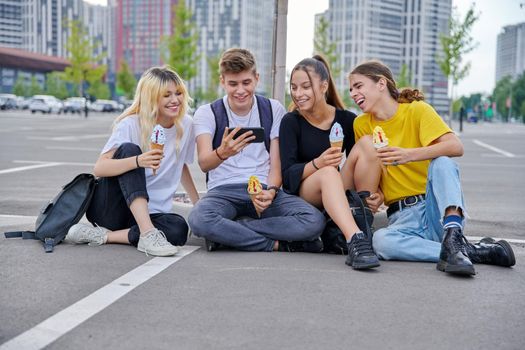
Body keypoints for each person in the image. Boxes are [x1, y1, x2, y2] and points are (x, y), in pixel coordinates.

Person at [349, 60, 515, 275]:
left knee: (443, 162)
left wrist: (409, 155)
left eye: (358, 86)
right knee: (381, 242)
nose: (353, 93)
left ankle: (454, 234)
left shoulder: (417, 111)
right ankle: (470, 251)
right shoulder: (361, 124)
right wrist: (379, 194)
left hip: (436, 209)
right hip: (401, 218)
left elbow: (456, 146)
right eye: (351, 89)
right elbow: (377, 168)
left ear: (381, 84)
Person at [188, 48, 325, 252]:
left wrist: (270, 191)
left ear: (256, 79)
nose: (240, 90)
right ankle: (274, 244)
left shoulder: (272, 108)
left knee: (314, 220)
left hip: (263, 188)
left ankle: (231, 232)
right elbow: (204, 163)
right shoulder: (207, 112)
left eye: (246, 82)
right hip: (223, 192)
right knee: (199, 219)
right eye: (233, 84)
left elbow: (276, 164)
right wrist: (222, 153)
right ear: (222, 81)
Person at [65, 66, 199, 257]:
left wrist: (198, 205)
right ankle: (147, 234)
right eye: (166, 95)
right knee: (129, 149)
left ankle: (105, 236)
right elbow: (100, 168)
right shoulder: (130, 124)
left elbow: (181, 165)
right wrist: (137, 161)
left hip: (152, 212)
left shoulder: (186, 125)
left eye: (178, 93)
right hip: (113, 208)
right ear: (151, 97)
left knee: (178, 229)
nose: (175, 100)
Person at [279, 55, 383, 270]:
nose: (298, 94)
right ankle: (356, 239)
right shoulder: (291, 121)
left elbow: (362, 163)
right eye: (294, 87)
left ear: (324, 86)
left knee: (367, 143)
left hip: (335, 187)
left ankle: (361, 217)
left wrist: (379, 194)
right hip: (306, 192)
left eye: (306, 87)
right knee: (328, 172)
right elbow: (288, 178)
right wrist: (317, 163)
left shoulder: (346, 120)